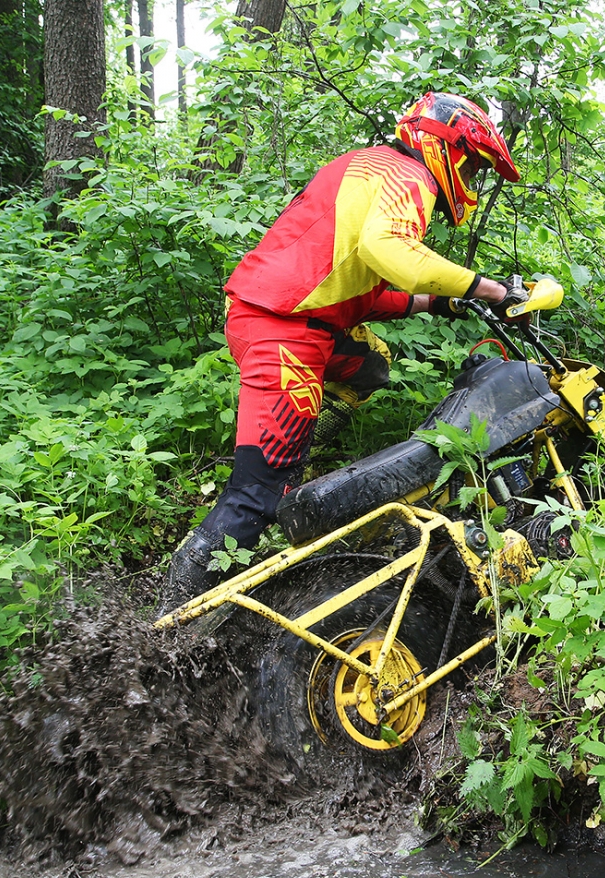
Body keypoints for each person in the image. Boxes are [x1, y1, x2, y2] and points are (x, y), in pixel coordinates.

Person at [158, 91, 528, 613]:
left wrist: (441, 302)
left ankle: (299, 457)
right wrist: (491, 289)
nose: (469, 182)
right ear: (446, 149)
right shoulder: (410, 177)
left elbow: (351, 286)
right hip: (283, 334)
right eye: (471, 169)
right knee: (257, 494)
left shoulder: (369, 166)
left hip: (286, 318)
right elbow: (390, 252)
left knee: (370, 365)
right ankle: (169, 620)